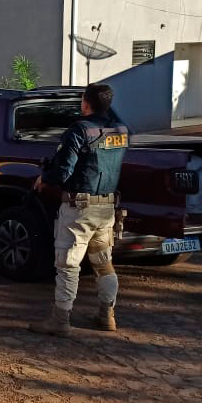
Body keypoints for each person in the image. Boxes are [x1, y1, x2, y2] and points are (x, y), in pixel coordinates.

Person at [29, 83, 129, 336]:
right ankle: (107, 315)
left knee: (68, 265)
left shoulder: (78, 131)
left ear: (85, 102)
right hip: (106, 208)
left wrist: (45, 177)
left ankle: (60, 321)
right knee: (104, 263)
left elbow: (63, 171)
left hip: (79, 209)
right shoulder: (121, 130)